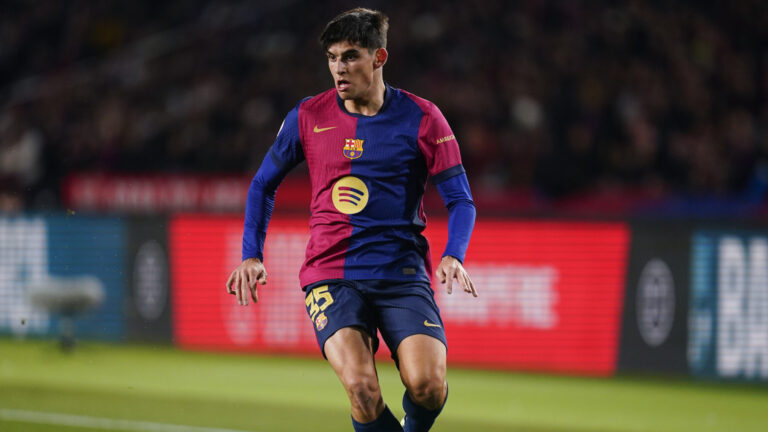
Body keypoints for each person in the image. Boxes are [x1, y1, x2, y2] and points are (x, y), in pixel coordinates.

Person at [226, 8, 477, 432]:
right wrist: (251, 254)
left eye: (351, 56)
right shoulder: (308, 116)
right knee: (362, 389)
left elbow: (461, 200)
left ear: (380, 58)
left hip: (400, 273)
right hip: (331, 273)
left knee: (428, 385)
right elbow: (262, 185)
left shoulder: (423, 117)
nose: (338, 69)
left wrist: (454, 255)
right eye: (332, 57)